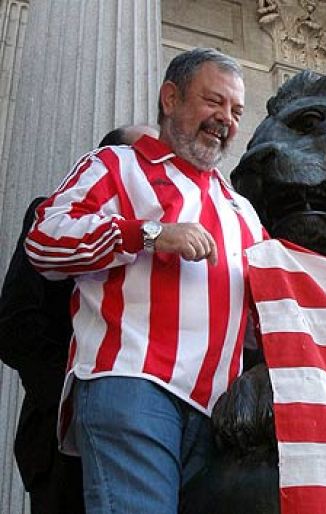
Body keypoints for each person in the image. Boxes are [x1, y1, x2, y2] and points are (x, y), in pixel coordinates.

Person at [24, 48, 266, 513]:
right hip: (134, 387)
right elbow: (44, 240)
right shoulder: (116, 166)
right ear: (170, 98)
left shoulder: (242, 210)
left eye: (236, 111)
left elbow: (267, 308)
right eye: (214, 102)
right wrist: (148, 233)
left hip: (218, 413)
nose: (226, 120)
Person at [0, 124, 156, 514]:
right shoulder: (48, 224)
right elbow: (16, 325)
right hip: (67, 442)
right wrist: (81, 397)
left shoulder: (168, 238)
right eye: (146, 158)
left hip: (153, 435)